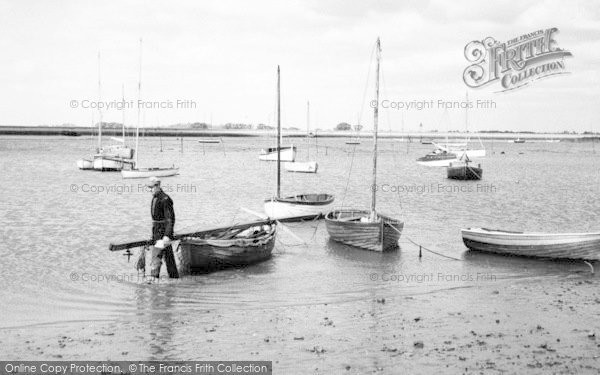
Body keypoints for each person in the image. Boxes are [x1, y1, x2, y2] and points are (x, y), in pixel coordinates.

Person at [137, 176, 179, 281]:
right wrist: (153, 234)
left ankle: (153, 281)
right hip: (157, 232)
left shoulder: (165, 199)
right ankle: (174, 281)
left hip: (163, 234)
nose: (150, 190)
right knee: (169, 259)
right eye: (149, 188)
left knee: (156, 258)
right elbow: (156, 220)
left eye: (152, 187)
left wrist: (167, 236)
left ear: (158, 186)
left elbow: (170, 219)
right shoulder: (155, 197)